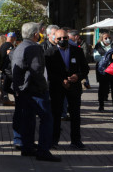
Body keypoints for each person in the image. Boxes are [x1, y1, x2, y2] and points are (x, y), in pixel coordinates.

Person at [11, 22, 61, 162]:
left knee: (28, 119)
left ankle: (27, 147)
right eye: (39, 32)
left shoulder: (20, 46)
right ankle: (43, 150)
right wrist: (44, 87)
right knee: (46, 119)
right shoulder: (34, 47)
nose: (40, 34)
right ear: (35, 34)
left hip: (24, 90)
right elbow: (37, 70)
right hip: (34, 90)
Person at [44, 28, 89, 149]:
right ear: (55, 39)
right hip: (57, 87)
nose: (62, 40)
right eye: (59, 38)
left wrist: (78, 76)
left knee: (75, 114)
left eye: (65, 38)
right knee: (56, 114)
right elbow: (48, 72)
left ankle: (76, 140)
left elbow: (85, 69)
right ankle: (54, 140)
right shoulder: (49, 53)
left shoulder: (77, 51)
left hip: (74, 87)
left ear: (68, 38)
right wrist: (61, 80)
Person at [93, 31, 113, 112]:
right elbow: (96, 58)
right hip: (102, 70)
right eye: (105, 38)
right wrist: (108, 59)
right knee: (102, 88)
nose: (108, 39)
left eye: (109, 38)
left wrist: (106, 58)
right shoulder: (98, 46)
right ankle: (101, 105)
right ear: (102, 39)